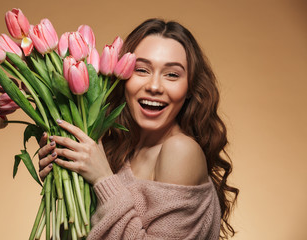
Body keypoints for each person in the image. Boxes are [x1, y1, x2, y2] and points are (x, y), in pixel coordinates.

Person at [38, 18, 239, 239]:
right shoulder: (118, 149)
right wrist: (61, 178)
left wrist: (103, 179)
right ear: (123, 76)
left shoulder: (180, 151)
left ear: (190, 88)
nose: (154, 87)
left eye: (172, 74)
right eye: (142, 70)